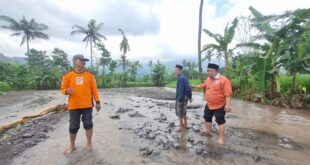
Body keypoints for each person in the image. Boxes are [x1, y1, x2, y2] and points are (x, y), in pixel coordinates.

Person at [61, 54, 101, 155]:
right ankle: (72, 144)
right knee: (73, 126)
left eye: (84, 60)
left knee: (88, 124)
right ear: (74, 61)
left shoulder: (90, 75)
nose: (84, 62)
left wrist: (97, 102)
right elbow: (63, 89)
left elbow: (94, 90)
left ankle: (89, 142)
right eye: (81, 60)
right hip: (74, 106)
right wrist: (66, 91)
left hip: (87, 105)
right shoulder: (67, 75)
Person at [191, 63, 232, 145]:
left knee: (220, 120)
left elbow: (228, 94)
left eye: (209, 71)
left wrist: (228, 104)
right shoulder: (208, 79)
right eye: (207, 70)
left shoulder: (224, 80)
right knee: (207, 117)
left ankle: (221, 138)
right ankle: (208, 131)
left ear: (215, 71)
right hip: (209, 104)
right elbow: (204, 85)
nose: (207, 72)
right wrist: (195, 86)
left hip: (220, 105)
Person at [175, 64, 192, 132]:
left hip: (181, 99)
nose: (175, 71)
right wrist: (190, 97)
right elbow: (188, 88)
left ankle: (181, 127)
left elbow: (181, 90)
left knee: (180, 113)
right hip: (185, 98)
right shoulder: (184, 77)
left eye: (176, 70)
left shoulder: (181, 78)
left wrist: (179, 100)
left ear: (180, 70)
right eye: (175, 70)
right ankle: (186, 124)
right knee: (184, 112)